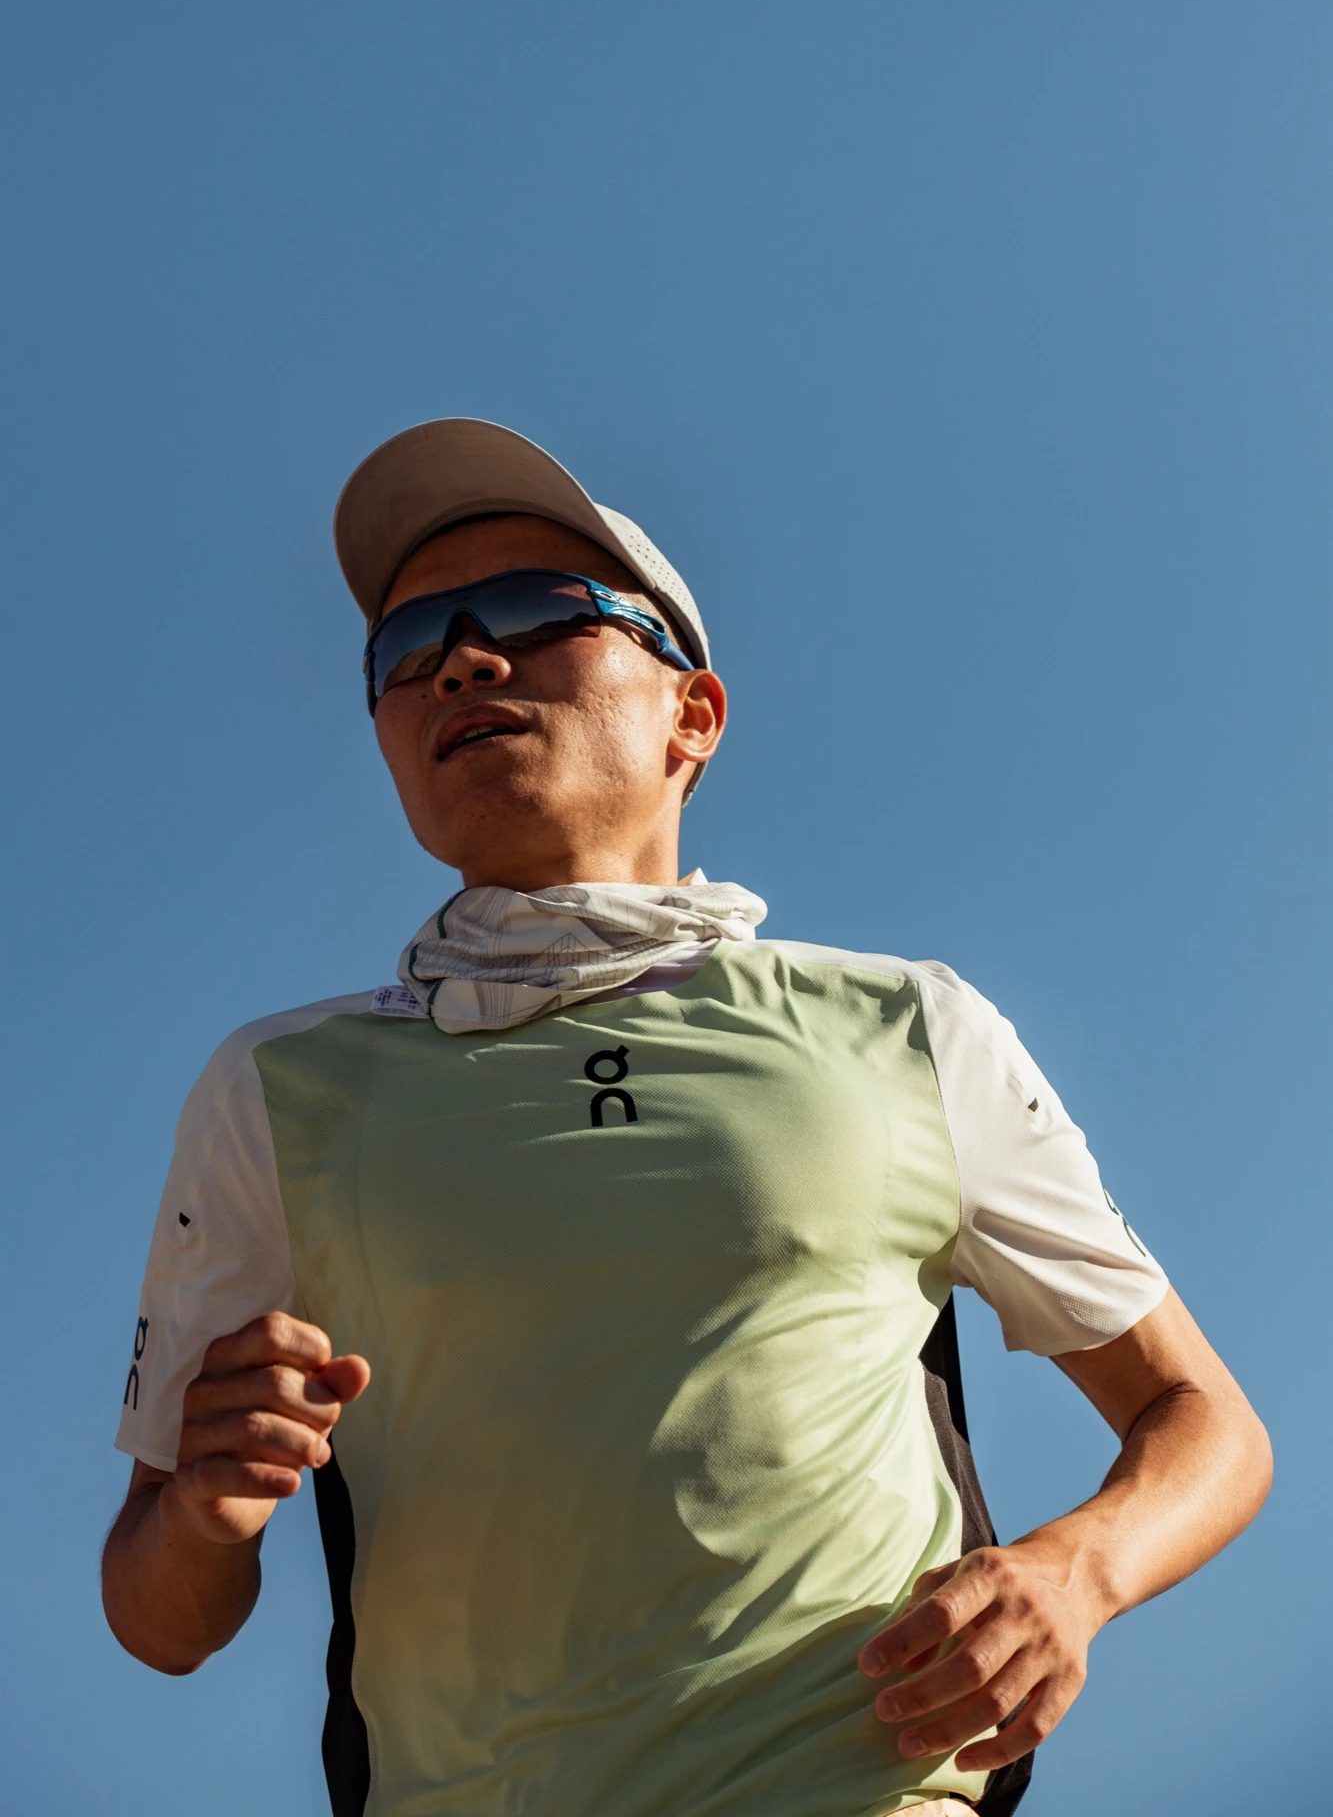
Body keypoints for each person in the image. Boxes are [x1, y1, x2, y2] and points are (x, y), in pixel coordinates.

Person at [103, 418, 1271, 1817]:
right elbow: (159, 1620)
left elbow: (1205, 1422)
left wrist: (1074, 1572)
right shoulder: (275, 1088)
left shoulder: (909, 1024)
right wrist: (207, 1512)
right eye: (404, 649)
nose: (462, 662)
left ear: (693, 716)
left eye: (537, 612)